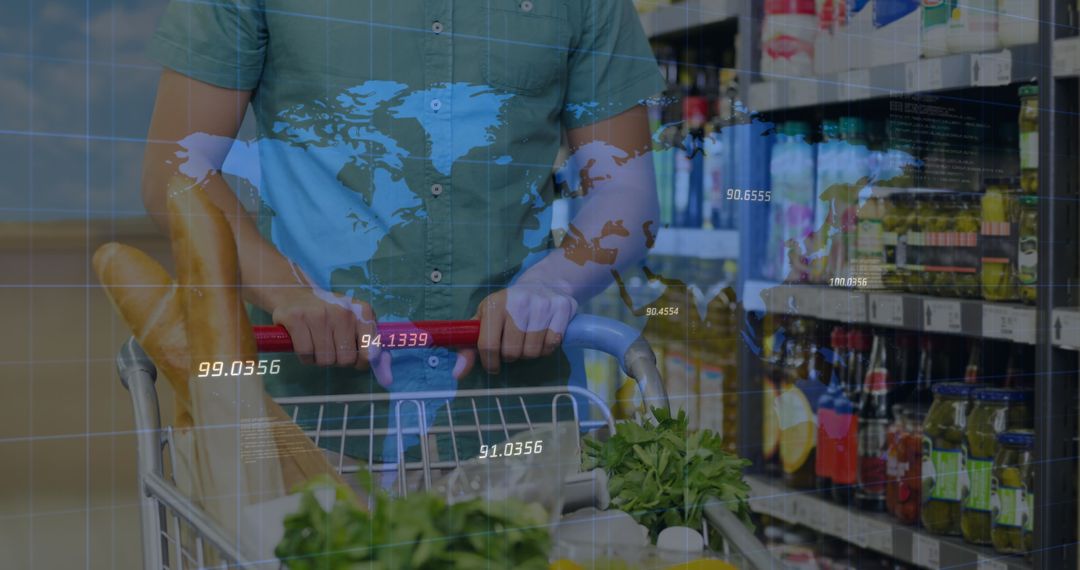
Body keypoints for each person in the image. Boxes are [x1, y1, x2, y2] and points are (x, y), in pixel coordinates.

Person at [141, 0, 665, 464]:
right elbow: (177, 167)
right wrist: (289, 292)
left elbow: (626, 192)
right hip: (310, 427)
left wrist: (555, 282)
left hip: (514, 426)